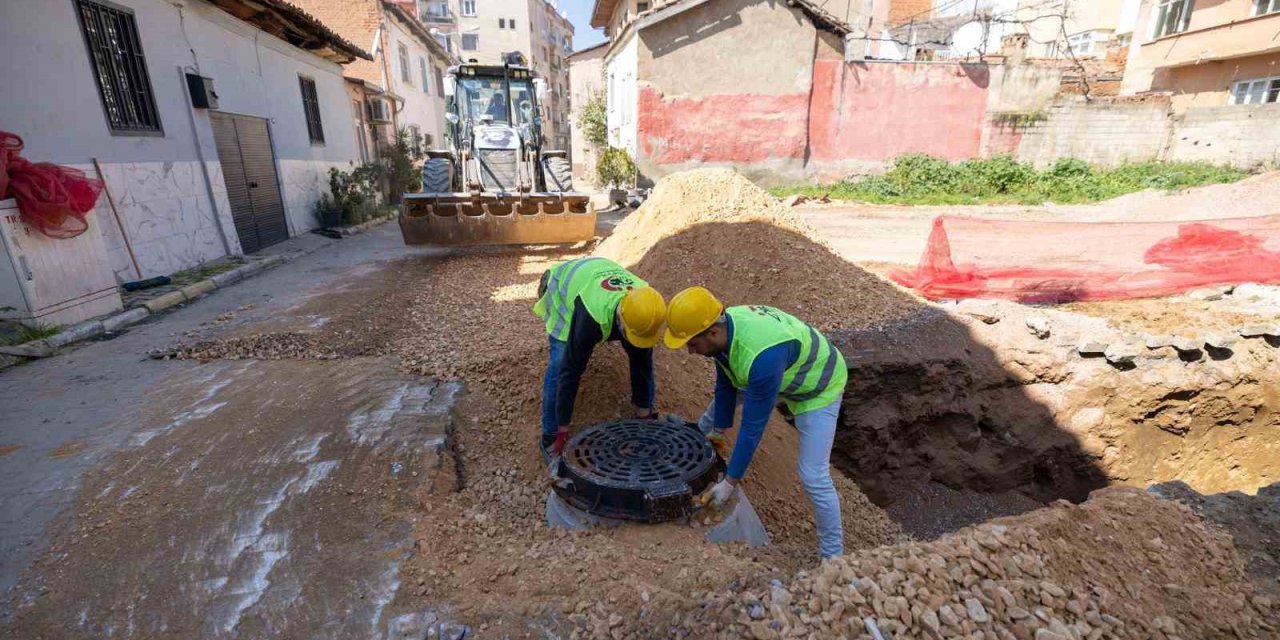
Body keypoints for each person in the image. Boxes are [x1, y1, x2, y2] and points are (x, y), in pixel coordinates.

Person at [664, 286, 847, 559]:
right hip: (779, 369)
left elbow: (752, 427)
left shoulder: (760, 357)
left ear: (712, 332)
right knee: (729, 393)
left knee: (813, 475)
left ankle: (834, 558)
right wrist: (718, 432)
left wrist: (730, 482)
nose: (689, 352)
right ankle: (702, 432)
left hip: (818, 386)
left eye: (691, 344)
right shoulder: (725, 330)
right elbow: (726, 382)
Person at [533, 257, 667, 458]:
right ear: (620, 321)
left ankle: (643, 411)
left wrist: (645, 414)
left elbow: (642, 363)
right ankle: (550, 434)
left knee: (641, 355)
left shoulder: (646, 306)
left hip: (596, 275)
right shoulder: (591, 316)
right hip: (562, 285)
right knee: (561, 361)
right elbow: (570, 372)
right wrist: (563, 430)